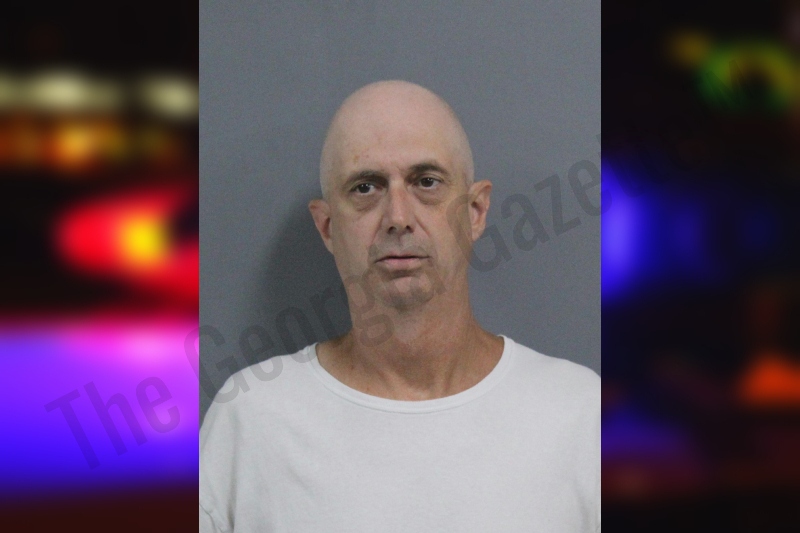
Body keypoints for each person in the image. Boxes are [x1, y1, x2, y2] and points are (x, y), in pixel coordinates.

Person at [200, 81, 600, 533]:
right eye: (365, 187)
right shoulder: (251, 422)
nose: (398, 217)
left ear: (475, 211)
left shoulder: (581, 418)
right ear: (327, 227)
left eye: (426, 182)